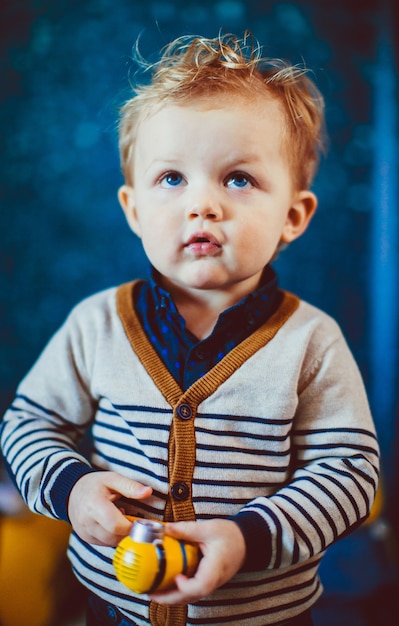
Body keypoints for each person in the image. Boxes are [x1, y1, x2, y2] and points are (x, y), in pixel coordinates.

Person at [0, 32, 379, 626]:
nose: (202, 205)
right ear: (133, 209)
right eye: (172, 179)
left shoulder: (311, 340)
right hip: (108, 609)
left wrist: (248, 537)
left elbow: (350, 474)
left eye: (238, 179)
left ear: (294, 215)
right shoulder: (95, 324)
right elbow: (28, 424)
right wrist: (72, 490)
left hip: (265, 617)